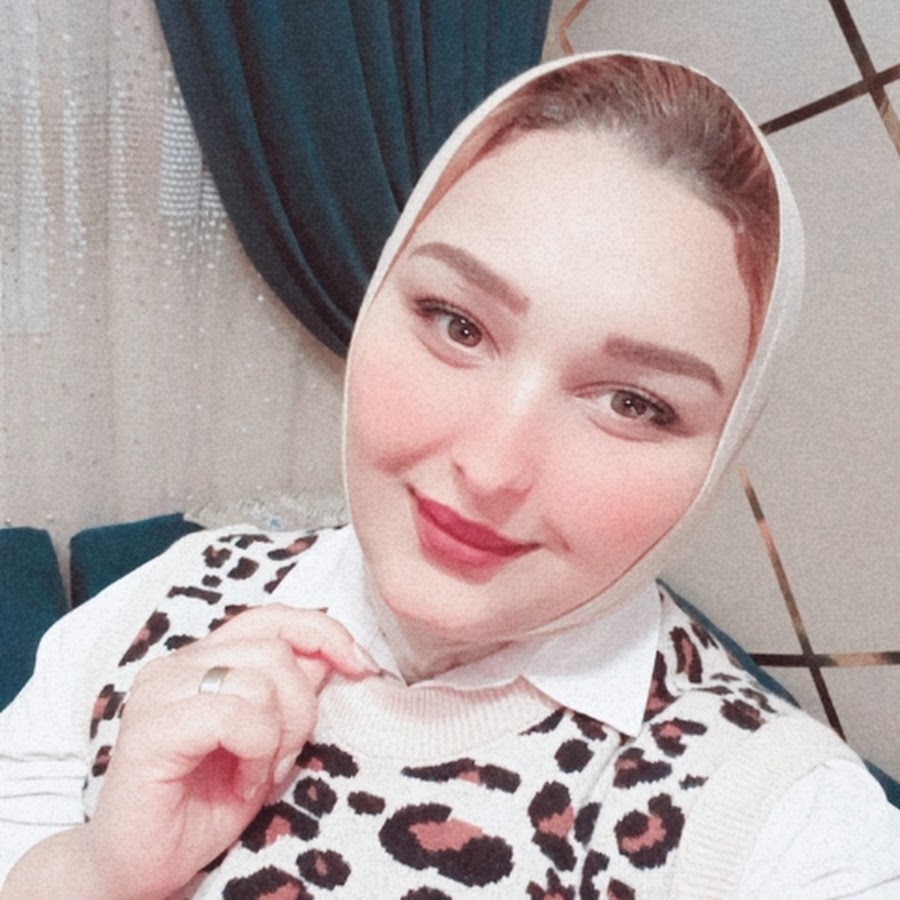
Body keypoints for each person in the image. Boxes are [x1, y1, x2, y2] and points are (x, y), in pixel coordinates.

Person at [1, 52, 898, 899]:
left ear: (719, 453)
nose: (491, 467)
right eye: (456, 323)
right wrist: (98, 870)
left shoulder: (786, 822)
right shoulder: (176, 597)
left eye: (633, 402)